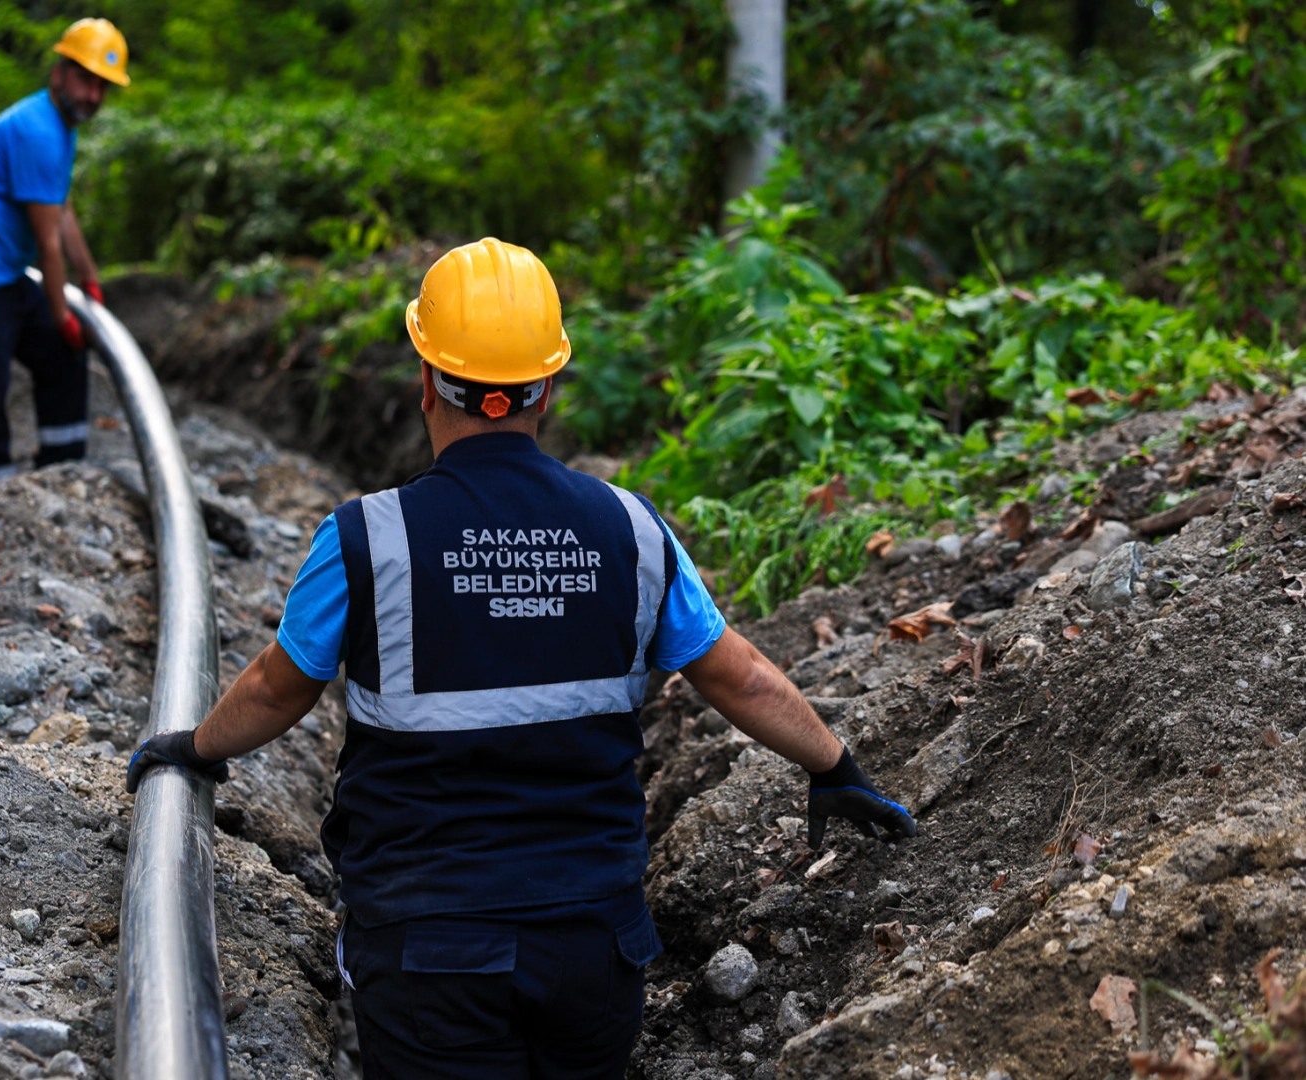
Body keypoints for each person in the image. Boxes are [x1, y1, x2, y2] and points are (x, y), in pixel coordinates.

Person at [126, 238, 915, 1078]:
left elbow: (278, 686)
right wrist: (834, 765)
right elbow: (739, 674)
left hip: (427, 946)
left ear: (425, 379)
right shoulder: (632, 529)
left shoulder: (367, 536)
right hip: (593, 946)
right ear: (549, 388)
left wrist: (195, 748)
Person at [0, 19, 130, 488]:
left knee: (60, 355)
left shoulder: (60, 125)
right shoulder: (38, 131)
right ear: (58, 73)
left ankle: (60, 471)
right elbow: (48, 242)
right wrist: (63, 313)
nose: (93, 95)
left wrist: (90, 282)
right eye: (85, 79)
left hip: (3, 270)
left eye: (102, 87)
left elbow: (62, 208)